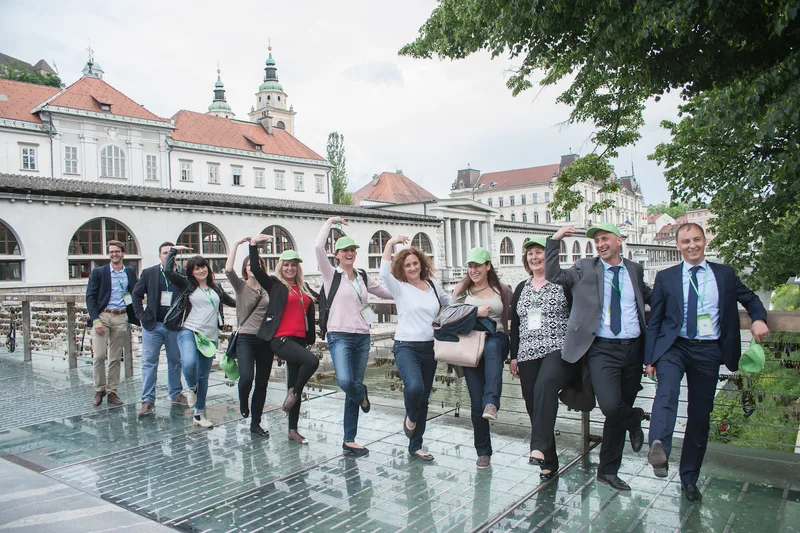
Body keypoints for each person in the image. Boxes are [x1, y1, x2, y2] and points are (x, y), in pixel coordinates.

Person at [645, 223, 769, 503]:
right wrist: (650, 357)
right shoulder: (666, 278)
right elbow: (655, 321)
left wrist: (759, 318)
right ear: (677, 246)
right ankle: (659, 449)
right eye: (685, 241)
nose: (692, 245)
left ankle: (689, 479)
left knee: (700, 418)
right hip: (673, 347)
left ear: (705, 241)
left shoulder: (724, 274)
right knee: (666, 392)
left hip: (708, 351)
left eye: (696, 240)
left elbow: (749, 298)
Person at [546, 223, 651, 492]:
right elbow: (554, 274)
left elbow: (648, 296)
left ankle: (608, 471)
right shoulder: (584, 268)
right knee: (610, 406)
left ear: (619, 240)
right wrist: (555, 240)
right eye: (596, 241)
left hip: (634, 347)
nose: (601, 244)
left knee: (617, 412)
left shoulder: (634, 269)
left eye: (605, 239)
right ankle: (635, 419)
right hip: (602, 348)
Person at [315, 217, 393, 457]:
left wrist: (410, 293)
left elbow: (384, 292)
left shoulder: (361, 276)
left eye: (352, 250)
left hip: (362, 337)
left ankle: (349, 440)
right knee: (346, 382)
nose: (349, 253)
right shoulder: (331, 275)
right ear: (337, 254)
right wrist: (329, 222)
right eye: (345, 250)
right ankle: (363, 395)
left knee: (351, 388)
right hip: (339, 335)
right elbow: (318, 247)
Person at [381, 235, 450, 461]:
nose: (412, 267)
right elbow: (383, 273)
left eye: (415, 263)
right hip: (406, 346)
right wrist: (391, 244)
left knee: (424, 398)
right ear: (402, 268)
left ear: (422, 263)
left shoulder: (432, 286)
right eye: (407, 265)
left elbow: (451, 303)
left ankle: (416, 445)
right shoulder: (399, 287)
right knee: (414, 387)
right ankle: (410, 416)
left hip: (430, 346)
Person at [510, 236, 572, 480]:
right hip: (526, 353)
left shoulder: (563, 283)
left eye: (539, 252)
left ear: (550, 256)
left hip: (558, 349)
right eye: (530, 254)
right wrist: (513, 355)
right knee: (533, 405)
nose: (534, 257)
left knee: (545, 386)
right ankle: (548, 459)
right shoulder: (521, 288)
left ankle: (536, 448)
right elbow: (515, 325)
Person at [248, 236, 319, 444]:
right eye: (286, 265)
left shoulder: (303, 288)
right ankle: (294, 393)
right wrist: (253, 245)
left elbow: (323, 299)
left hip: (299, 341)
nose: (290, 269)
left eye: (293, 265)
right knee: (312, 362)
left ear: (298, 268)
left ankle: (293, 430)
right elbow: (256, 268)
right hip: (280, 340)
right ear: (281, 267)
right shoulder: (275, 285)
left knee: (295, 381)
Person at [451, 247, 511, 469]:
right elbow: (448, 317)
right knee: (476, 403)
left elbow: (514, 317)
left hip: (496, 339)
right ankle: (483, 451)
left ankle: (492, 402)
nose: (473, 270)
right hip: (470, 346)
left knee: (494, 347)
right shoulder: (462, 290)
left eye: (477, 265)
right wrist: (475, 313)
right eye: (470, 266)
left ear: (488, 266)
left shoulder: (501, 290)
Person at [164, 246, 236, 428]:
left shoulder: (216, 288)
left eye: (203, 266)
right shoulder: (188, 285)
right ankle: (191, 388)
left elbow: (232, 302)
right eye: (196, 268)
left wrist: (255, 299)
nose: (201, 270)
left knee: (203, 376)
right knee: (188, 363)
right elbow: (168, 271)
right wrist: (173, 251)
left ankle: (199, 413)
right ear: (191, 272)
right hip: (189, 331)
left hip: (209, 336)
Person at [224, 237, 272, 437]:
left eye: (258, 264)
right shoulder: (241, 286)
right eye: (250, 264)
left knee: (262, 383)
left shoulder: (268, 287)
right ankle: (243, 400)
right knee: (247, 378)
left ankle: (256, 422)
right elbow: (227, 270)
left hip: (265, 339)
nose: (254, 266)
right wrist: (236, 244)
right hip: (245, 338)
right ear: (245, 269)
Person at [132, 241, 187, 416]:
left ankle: (176, 394)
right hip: (153, 325)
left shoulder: (184, 274)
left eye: (171, 253)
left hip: (174, 326)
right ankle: (148, 400)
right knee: (149, 363)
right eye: (165, 253)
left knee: (175, 361)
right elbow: (136, 294)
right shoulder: (149, 273)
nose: (168, 256)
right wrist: (140, 315)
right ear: (160, 256)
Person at [85, 239, 139, 407]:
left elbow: (136, 291)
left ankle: (112, 392)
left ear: (123, 253)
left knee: (115, 358)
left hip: (121, 317)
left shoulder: (129, 271)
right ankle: (99, 389)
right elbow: (90, 297)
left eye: (117, 251)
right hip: (103, 317)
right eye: (111, 252)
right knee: (99, 356)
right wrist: (95, 320)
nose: (114, 254)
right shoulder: (99, 272)